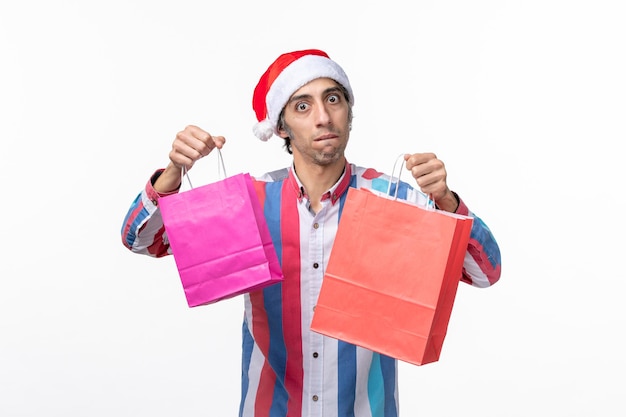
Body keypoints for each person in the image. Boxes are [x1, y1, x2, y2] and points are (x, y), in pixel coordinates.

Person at [121, 49, 501, 417]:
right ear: (281, 126)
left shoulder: (393, 200)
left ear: (349, 111)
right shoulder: (249, 203)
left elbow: (484, 272)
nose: (323, 117)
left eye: (333, 99)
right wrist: (172, 173)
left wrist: (446, 201)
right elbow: (142, 239)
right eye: (303, 105)